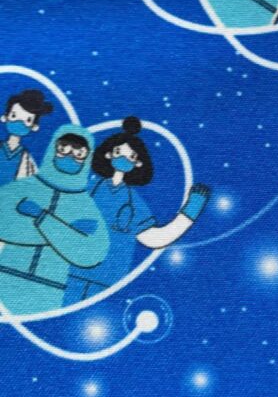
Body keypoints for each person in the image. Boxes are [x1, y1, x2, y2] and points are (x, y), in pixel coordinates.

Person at [64, 117, 211, 305]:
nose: (123, 159)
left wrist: (189, 212)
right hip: (69, 272)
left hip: (107, 282)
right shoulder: (88, 190)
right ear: (108, 154)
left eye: (131, 156)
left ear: (138, 163)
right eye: (119, 152)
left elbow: (153, 238)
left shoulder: (133, 204)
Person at [0, 125, 109, 315]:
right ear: (53, 148)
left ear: (87, 157)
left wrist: (42, 217)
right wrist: (66, 232)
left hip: (49, 290)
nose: (69, 156)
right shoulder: (22, 189)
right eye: (63, 149)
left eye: (79, 153)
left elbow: (92, 252)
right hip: (5, 276)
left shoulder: (85, 205)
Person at [0, 89, 53, 185]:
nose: (19, 122)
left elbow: (30, 182)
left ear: (34, 126)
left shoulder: (25, 157)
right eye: (14, 116)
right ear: (5, 117)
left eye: (28, 120)